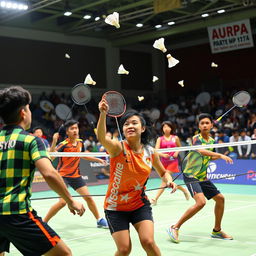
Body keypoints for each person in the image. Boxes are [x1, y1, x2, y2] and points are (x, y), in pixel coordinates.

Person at [0, 86, 85, 256]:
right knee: (64, 254)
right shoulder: (31, 140)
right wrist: (70, 200)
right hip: (17, 213)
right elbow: (49, 173)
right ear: (23, 113)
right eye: (29, 108)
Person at [97, 96, 177, 256]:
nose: (130, 126)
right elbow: (101, 137)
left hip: (139, 205)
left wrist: (169, 181)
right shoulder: (117, 148)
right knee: (124, 249)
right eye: (126, 124)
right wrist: (103, 114)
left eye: (134, 123)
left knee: (148, 241)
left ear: (142, 128)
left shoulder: (150, 151)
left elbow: (163, 172)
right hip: (115, 207)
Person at [167, 113, 233, 243]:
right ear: (199, 126)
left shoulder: (212, 141)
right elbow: (200, 151)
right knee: (201, 202)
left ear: (211, 125)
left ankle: (217, 230)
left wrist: (222, 154)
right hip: (191, 175)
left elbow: (209, 157)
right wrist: (219, 156)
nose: (204, 125)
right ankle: (174, 227)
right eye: (202, 123)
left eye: (207, 123)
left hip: (202, 176)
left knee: (220, 199)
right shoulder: (196, 138)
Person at [44, 120, 109, 229]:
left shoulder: (80, 142)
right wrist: (54, 141)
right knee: (62, 203)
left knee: (88, 198)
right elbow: (51, 156)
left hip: (75, 176)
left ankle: (99, 220)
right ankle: (44, 222)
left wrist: (97, 159)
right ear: (67, 132)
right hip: (63, 176)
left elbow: (82, 155)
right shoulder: (63, 144)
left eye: (76, 128)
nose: (75, 130)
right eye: (72, 129)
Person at [151, 121, 189, 205]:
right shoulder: (159, 139)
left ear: (171, 128)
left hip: (173, 162)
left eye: (168, 127)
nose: (166, 128)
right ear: (162, 129)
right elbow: (156, 151)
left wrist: (176, 152)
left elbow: (179, 147)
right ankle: (184, 190)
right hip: (163, 162)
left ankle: (155, 199)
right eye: (164, 127)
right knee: (167, 181)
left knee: (165, 181)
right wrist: (163, 155)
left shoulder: (175, 138)